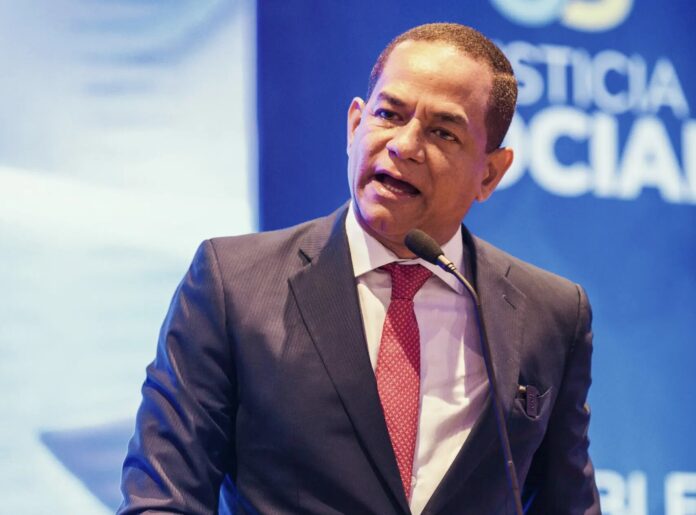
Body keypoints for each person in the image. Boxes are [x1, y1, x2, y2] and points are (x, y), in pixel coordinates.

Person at [118, 22, 600, 514]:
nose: (404, 145)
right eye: (389, 114)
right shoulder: (234, 285)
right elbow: (162, 498)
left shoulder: (549, 315)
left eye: (442, 132)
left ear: (490, 173)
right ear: (354, 126)